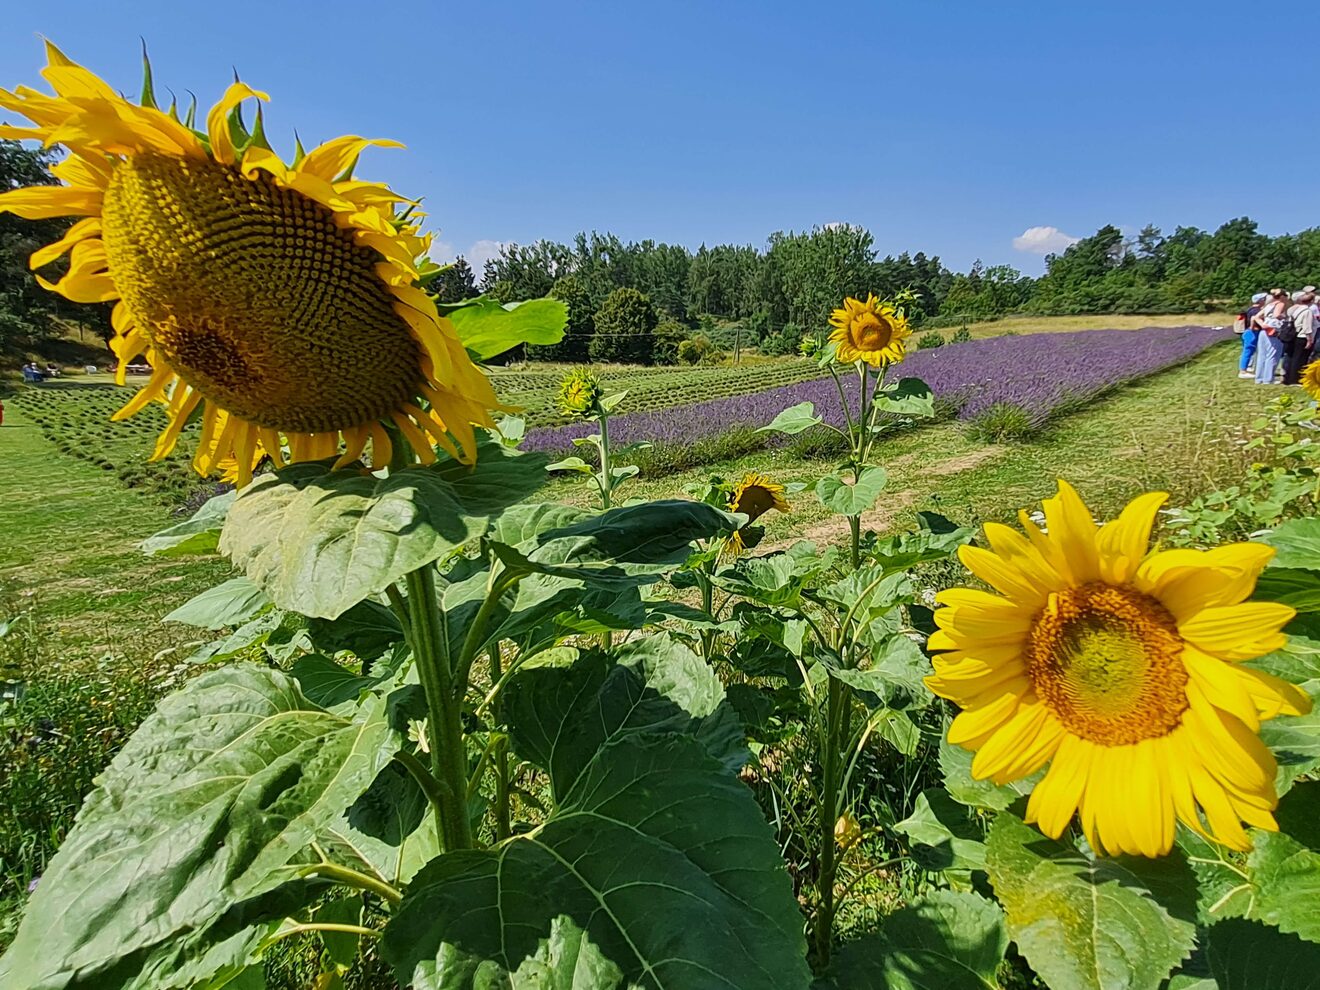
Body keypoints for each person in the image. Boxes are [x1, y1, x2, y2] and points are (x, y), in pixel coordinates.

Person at [1254, 289, 1289, 384]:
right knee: (1273, 354)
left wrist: (1263, 325)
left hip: (1264, 330)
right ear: (1282, 296)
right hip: (1274, 331)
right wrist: (1285, 317)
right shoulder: (1280, 304)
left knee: (1262, 355)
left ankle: (1259, 377)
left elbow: (1256, 317)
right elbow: (1276, 315)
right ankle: (1268, 378)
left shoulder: (1268, 305)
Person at [1284, 291, 1317, 384]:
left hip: (1295, 335)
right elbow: (1307, 327)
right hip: (1303, 336)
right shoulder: (1307, 311)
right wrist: (1309, 340)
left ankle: (1289, 378)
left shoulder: (1294, 309)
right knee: (1301, 359)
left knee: (1293, 357)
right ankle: (1297, 379)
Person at [1240, 292, 1267, 378]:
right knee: (1248, 351)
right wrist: (1253, 327)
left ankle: (1246, 368)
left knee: (1248, 350)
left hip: (1247, 332)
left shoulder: (1250, 309)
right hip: (1252, 332)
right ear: (1260, 301)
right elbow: (1253, 318)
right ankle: (1243, 371)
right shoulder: (1257, 311)